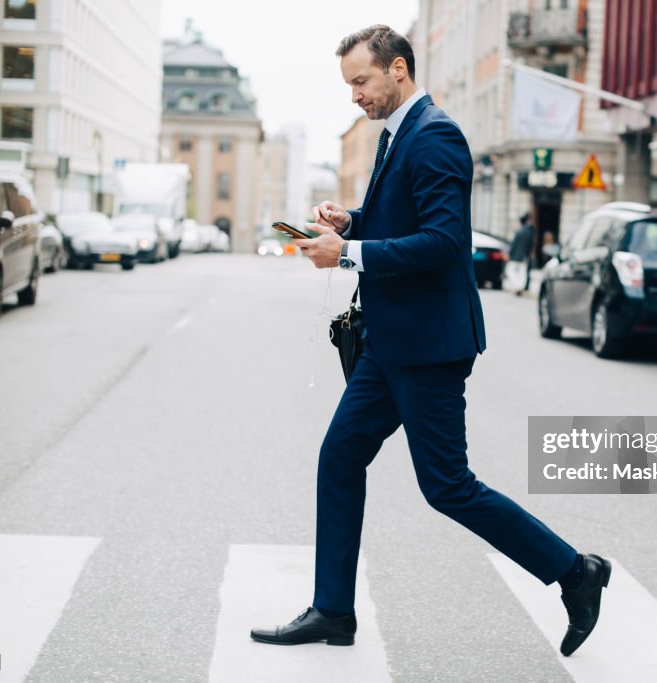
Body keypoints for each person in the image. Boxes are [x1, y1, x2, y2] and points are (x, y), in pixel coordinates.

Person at [249, 25, 611, 657]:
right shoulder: (397, 136)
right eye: (349, 85)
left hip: (428, 347)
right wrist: (351, 222)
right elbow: (405, 221)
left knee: (447, 485)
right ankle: (333, 609)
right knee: (339, 459)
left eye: (361, 81)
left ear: (398, 69)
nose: (354, 96)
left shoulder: (436, 135)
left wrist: (348, 252)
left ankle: (576, 572)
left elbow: (445, 243)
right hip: (389, 344)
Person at [508, 213, 534, 296]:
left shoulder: (519, 232)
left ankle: (517, 287)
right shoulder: (529, 232)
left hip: (515, 256)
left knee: (510, 270)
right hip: (524, 256)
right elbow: (530, 245)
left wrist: (510, 254)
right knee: (522, 272)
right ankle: (520, 287)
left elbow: (514, 245)